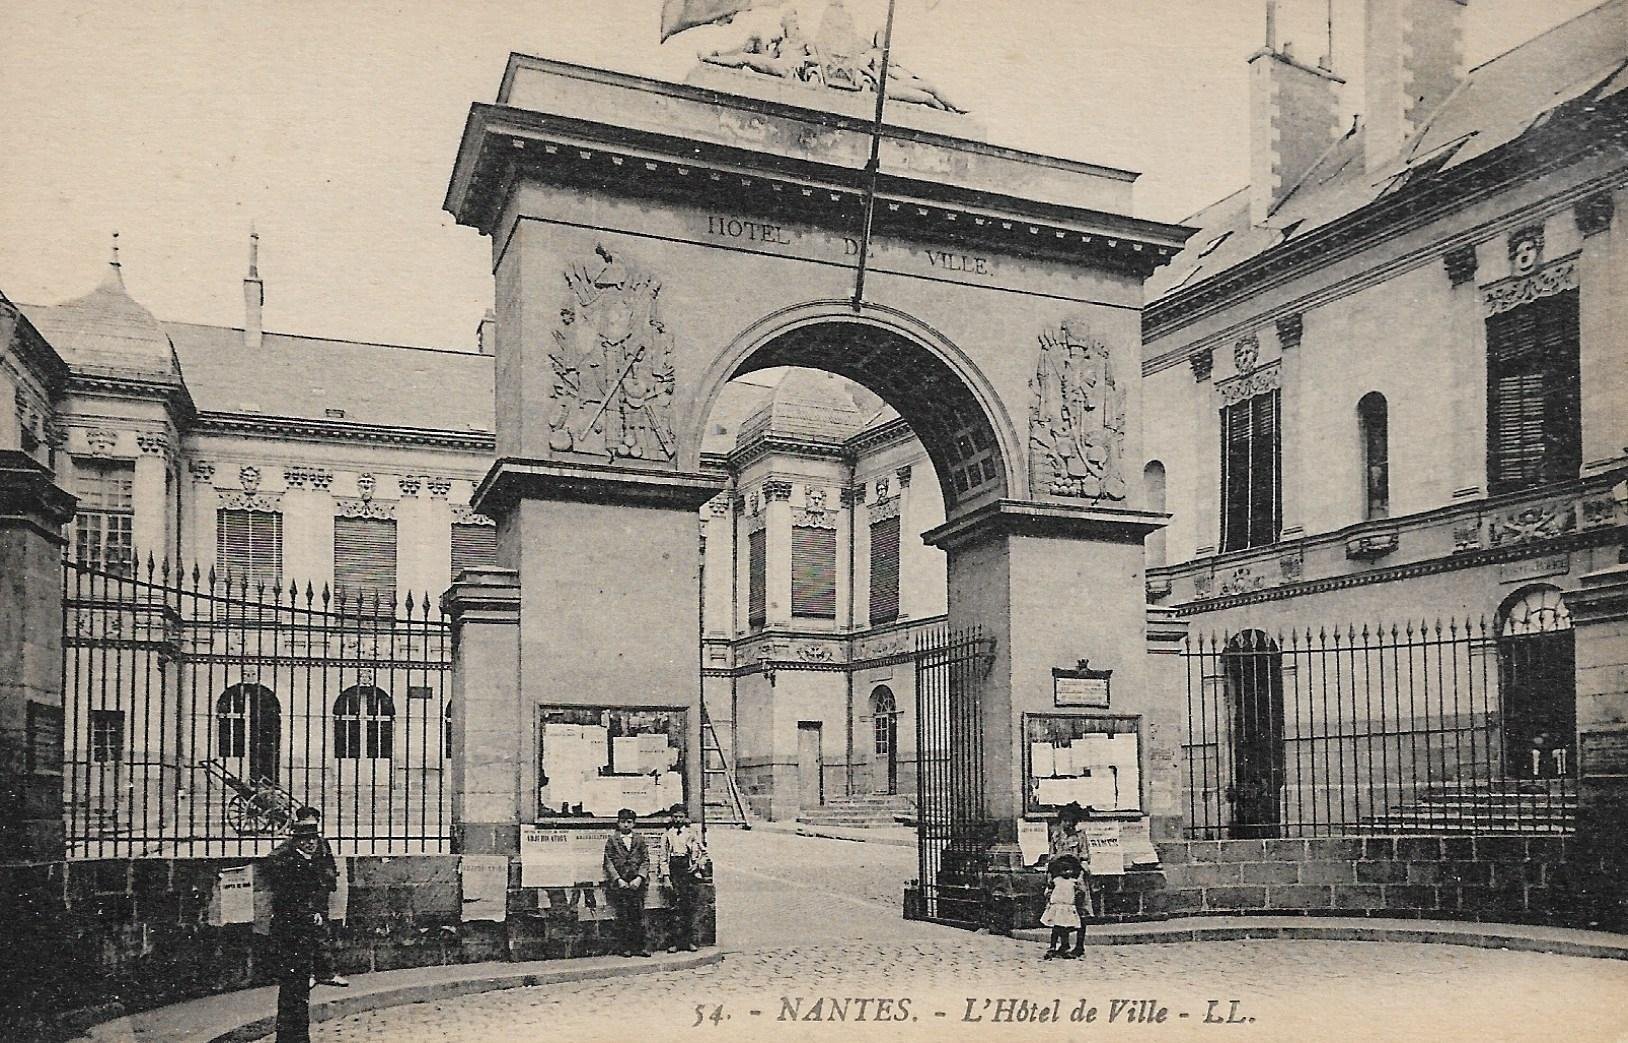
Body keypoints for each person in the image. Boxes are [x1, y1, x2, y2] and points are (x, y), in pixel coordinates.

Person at [262, 808, 339, 1042]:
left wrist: (314, 911)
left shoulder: (311, 861)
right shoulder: (284, 862)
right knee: (292, 991)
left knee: (299, 992)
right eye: (305, 840)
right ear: (296, 841)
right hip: (290, 935)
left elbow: (318, 889)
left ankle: (298, 1037)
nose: (310, 844)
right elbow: (285, 900)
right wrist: (309, 914)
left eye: (313, 839)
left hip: (303, 935)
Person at [657, 805, 708, 953]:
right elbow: (663, 858)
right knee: (674, 908)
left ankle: (689, 941)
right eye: (675, 816)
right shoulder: (667, 835)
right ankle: (675, 942)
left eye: (681, 816)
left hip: (687, 870)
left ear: (685, 817)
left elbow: (704, 853)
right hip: (674, 870)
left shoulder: (692, 834)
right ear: (671, 818)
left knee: (688, 907)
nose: (678, 819)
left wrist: (697, 865)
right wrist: (666, 877)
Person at [603, 808, 651, 957]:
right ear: (618, 823)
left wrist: (640, 878)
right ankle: (626, 947)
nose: (625, 825)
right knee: (623, 916)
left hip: (637, 884)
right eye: (622, 822)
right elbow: (608, 862)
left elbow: (645, 860)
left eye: (629, 822)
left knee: (638, 915)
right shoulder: (612, 840)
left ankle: (641, 947)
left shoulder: (639, 839)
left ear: (634, 824)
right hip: (621, 884)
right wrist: (618, 879)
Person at [1040, 854, 1083, 959]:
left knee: (1065, 928)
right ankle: (1052, 946)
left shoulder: (1073, 882)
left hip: (1067, 907)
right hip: (1058, 907)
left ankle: (1065, 947)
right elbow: (1049, 889)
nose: (1067, 872)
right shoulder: (1057, 880)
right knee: (1056, 928)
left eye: (1069, 870)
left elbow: (1080, 890)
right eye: (1064, 870)